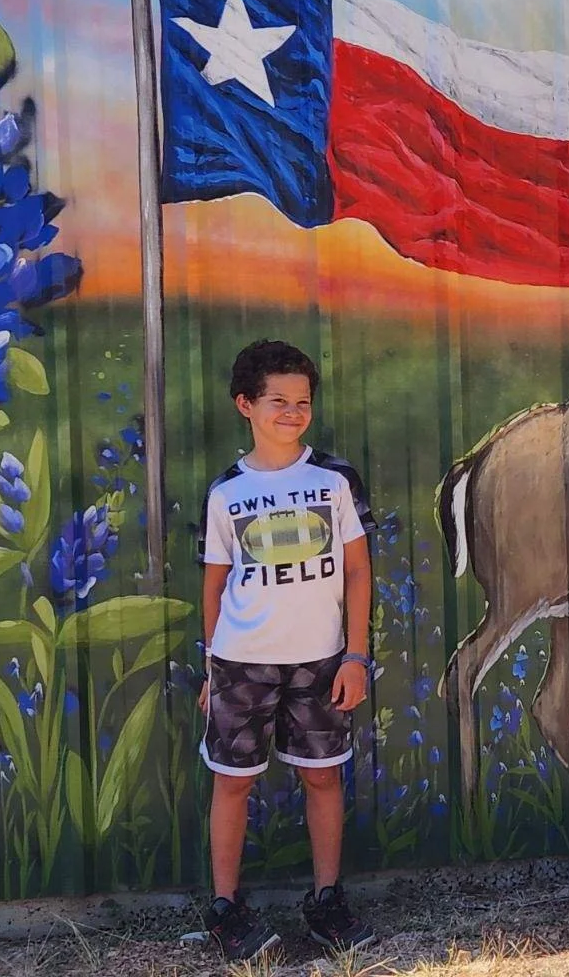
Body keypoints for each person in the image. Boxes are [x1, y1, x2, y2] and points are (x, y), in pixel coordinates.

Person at [196, 339, 378, 959]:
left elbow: (358, 571)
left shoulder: (334, 480)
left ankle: (326, 901)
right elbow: (215, 584)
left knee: (323, 778)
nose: (293, 412)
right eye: (278, 401)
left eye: (303, 402)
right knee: (233, 784)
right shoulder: (225, 494)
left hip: (322, 660)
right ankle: (225, 910)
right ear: (245, 404)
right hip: (241, 663)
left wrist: (355, 656)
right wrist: (211, 667)